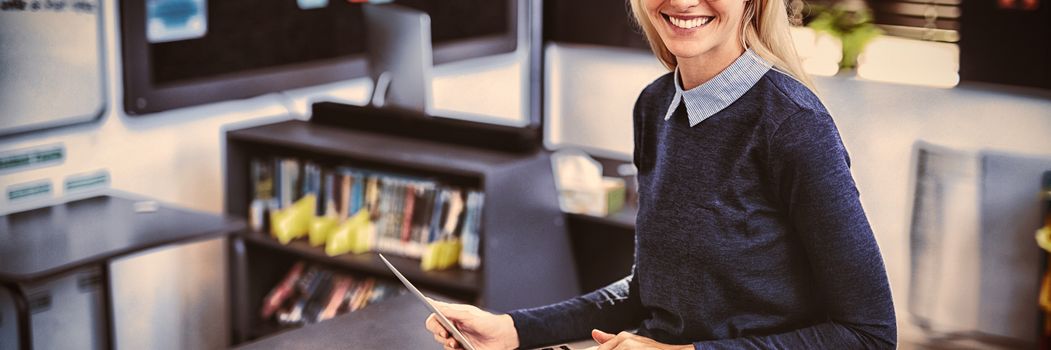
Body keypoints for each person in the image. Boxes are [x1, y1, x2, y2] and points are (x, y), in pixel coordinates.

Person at [425, 0, 897, 348]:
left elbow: (869, 334)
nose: (683, 1)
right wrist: (514, 329)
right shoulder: (655, 107)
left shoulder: (792, 125)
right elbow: (648, 290)